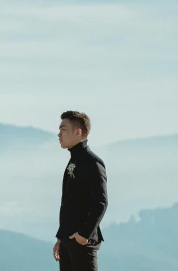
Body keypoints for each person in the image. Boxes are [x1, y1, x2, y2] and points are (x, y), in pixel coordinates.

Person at [53, 111, 108, 271]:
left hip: (82, 242)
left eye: (63, 129)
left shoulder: (92, 162)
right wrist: (61, 238)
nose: (58, 134)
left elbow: (101, 202)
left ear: (78, 132)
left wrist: (84, 235)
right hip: (68, 240)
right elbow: (70, 201)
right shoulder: (74, 159)